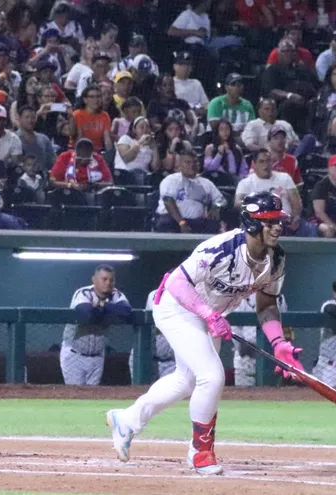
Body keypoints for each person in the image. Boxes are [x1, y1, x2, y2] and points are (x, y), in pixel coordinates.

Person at [105, 192, 304, 474]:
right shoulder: (222, 248)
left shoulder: (277, 259)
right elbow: (176, 283)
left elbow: (267, 303)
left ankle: (127, 420)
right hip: (176, 306)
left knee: (186, 382)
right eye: (268, 221)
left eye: (277, 221)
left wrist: (279, 342)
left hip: (207, 313)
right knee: (211, 376)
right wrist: (210, 315)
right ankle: (200, 451)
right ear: (250, 223)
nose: (276, 227)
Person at [61, 265, 132, 386]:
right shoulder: (84, 292)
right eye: (104, 279)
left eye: (111, 280)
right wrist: (109, 308)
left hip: (98, 355)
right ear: (94, 279)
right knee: (75, 394)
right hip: (74, 353)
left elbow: (126, 311)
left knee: (93, 396)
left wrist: (102, 305)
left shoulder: (115, 294)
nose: (108, 283)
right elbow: (87, 312)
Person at [235, 149, 317, 237]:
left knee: (311, 229)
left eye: (268, 161)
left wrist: (295, 217)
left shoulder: (284, 178)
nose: (265, 165)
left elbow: (296, 202)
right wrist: (256, 205)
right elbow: (237, 203)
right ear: (254, 165)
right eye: (261, 162)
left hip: (286, 222)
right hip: (259, 222)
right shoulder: (245, 183)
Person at [154, 149, 222, 234]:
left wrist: (216, 207)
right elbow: (168, 201)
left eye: (195, 162)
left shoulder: (206, 183)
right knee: (166, 223)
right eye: (187, 162)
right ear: (180, 164)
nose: (192, 165)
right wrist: (182, 223)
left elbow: (221, 200)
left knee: (213, 224)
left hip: (197, 222)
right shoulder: (171, 180)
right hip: (172, 220)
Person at [230, 293, 288, 387]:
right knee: (243, 388)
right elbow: (235, 327)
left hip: (270, 353)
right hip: (247, 352)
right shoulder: (241, 296)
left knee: (271, 388)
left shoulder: (279, 297)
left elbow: (283, 324)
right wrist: (240, 346)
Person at [128, 290, 175, 383]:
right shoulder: (154, 294)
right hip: (155, 338)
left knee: (172, 388)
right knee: (135, 357)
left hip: (174, 340)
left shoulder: (184, 293)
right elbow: (149, 320)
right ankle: (137, 391)